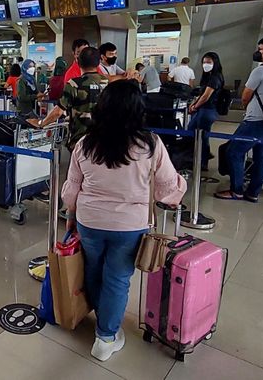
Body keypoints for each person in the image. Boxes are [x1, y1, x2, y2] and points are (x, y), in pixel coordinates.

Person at [61, 80, 186, 362]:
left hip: (89, 221)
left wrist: (70, 214)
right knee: (117, 278)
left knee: (93, 270)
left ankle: (102, 319)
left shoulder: (85, 143)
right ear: (137, 109)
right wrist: (181, 187)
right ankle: (105, 338)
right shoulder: (150, 144)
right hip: (130, 225)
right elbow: (169, 191)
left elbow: (72, 188)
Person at [215, 35, 263, 203]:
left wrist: (247, 107)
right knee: (261, 155)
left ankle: (237, 191)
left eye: (261, 49)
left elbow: (246, 94)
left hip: (256, 120)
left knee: (234, 152)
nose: (258, 52)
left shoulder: (261, 70)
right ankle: (253, 192)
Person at [40, 47, 108, 151]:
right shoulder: (107, 83)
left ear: (79, 63)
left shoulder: (74, 84)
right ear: (99, 63)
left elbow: (58, 112)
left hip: (79, 141)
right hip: (102, 140)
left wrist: (42, 123)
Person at [187, 52, 225, 171]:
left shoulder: (214, 78)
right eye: (204, 62)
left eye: (208, 62)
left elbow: (206, 96)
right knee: (202, 136)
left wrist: (195, 106)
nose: (205, 65)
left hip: (207, 110)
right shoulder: (209, 76)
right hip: (205, 109)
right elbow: (202, 94)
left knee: (194, 133)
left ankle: (200, 161)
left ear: (215, 63)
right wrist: (194, 104)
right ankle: (202, 160)